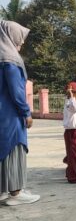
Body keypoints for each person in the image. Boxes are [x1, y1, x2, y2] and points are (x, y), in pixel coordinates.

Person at [0, 20, 40, 205]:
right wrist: (26, 113)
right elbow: (17, 93)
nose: (22, 42)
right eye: (20, 38)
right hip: (10, 117)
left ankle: (3, 191)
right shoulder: (11, 61)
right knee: (14, 149)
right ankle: (15, 193)